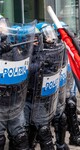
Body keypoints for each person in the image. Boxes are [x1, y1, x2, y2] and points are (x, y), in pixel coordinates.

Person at [0, 13, 35, 150]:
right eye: (0, 24)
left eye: (4, 23)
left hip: (15, 99)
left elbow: (21, 66)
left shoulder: (12, 46)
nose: (4, 26)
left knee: (20, 137)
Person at [25, 22, 65, 150]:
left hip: (40, 99)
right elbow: (27, 70)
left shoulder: (45, 52)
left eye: (38, 38)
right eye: (33, 39)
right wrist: (40, 63)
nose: (36, 41)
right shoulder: (21, 53)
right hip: (24, 100)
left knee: (43, 129)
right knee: (24, 134)